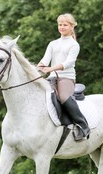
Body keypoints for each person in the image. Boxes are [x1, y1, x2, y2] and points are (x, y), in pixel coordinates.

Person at [37, 13, 90, 142]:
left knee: (64, 97)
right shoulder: (53, 44)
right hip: (51, 78)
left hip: (66, 78)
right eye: (60, 24)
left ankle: (82, 124)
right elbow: (45, 60)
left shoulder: (74, 45)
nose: (61, 27)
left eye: (65, 25)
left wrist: (51, 68)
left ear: (72, 27)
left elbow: (68, 63)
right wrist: (40, 66)